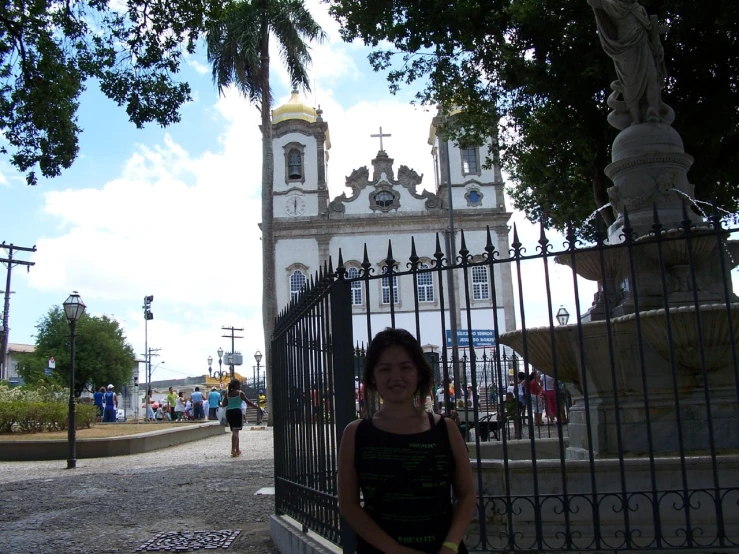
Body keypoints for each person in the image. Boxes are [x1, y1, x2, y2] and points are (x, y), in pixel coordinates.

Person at [338, 328, 475, 554]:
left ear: (419, 373)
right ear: (372, 376)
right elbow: (349, 505)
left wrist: (450, 546)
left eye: (405, 367)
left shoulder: (446, 429)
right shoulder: (355, 433)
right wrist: (395, 550)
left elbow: (467, 494)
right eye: (385, 369)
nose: (396, 377)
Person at [587, 0, 672, 129]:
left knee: (652, 76)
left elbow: (650, 31)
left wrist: (657, 45)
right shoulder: (614, 5)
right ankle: (635, 118)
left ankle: (653, 110)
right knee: (630, 83)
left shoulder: (639, 8)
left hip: (643, 44)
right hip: (626, 49)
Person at [221, 379, 259, 457]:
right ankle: (233, 450)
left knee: (235, 431)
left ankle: (237, 450)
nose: (240, 386)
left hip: (229, 412)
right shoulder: (240, 393)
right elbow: (248, 402)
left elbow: (224, 404)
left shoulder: (227, 394)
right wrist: (256, 407)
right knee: (236, 431)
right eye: (239, 384)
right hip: (237, 412)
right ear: (236, 385)